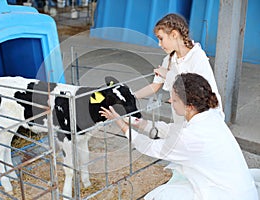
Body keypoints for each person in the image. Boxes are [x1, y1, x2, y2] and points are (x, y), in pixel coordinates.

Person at [100, 73, 258, 200]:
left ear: (189, 106)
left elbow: (149, 146)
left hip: (224, 195)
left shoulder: (191, 137)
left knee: (158, 196)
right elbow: (174, 131)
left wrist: (121, 124)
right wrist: (142, 124)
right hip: (239, 189)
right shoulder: (210, 115)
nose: (170, 101)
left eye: (174, 99)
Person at [134, 13, 224, 122]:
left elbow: (198, 91)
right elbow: (155, 86)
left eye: (161, 39)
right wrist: (131, 95)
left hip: (203, 117)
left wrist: (168, 74)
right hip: (182, 117)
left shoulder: (197, 58)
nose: (159, 44)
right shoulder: (169, 60)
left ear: (174, 34)